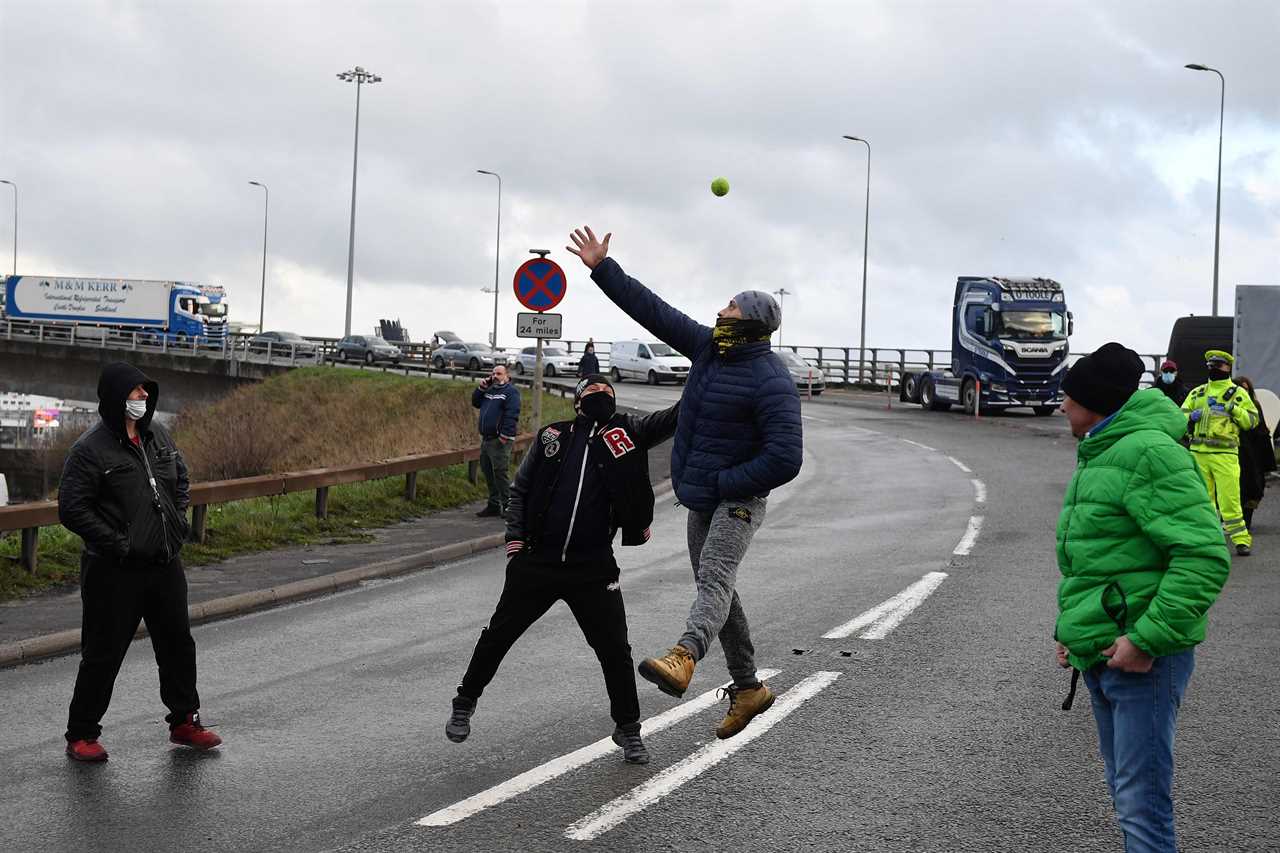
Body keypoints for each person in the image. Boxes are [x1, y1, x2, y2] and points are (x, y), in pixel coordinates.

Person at [566, 226, 802, 740]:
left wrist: (727, 480)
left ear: (751, 323)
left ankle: (684, 655)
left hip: (736, 499)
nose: (721, 311)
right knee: (717, 588)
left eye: (731, 307)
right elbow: (652, 310)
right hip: (702, 498)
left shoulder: (771, 380)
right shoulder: (707, 349)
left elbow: (785, 458)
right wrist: (602, 268)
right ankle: (748, 688)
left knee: (714, 581)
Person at [446, 375, 678, 765]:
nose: (600, 397)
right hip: (538, 560)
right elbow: (520, 490)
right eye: (592, 392)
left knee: (615, 650)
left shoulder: (628, 434)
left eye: (607, 392)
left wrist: (709, 371)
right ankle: (465, 700)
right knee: (499, 635)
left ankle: (629, 728)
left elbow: (674, 418)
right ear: (577, 402)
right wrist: (515, 543)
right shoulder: (553, 436)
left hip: (593, 567)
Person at [1054, 342, 1230, 853]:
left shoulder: (1149, 453)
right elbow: (1095, 561)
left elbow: (1203, 556)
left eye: (1070, 395)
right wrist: (1071, 633)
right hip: (1104, 649)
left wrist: (1147, 639)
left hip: (1141, 658)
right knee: (1126, 793)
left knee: (1140, 804)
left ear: (1097, 401)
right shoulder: (1104, 450)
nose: (1062, 405)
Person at [57, 362, 223, 762]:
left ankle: (185, 721)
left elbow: (180, 478)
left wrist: (178, 519)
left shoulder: (157, 437)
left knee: (178, 645)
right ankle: (82, 734)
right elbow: (72, 509)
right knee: (103, 652)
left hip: (164, 562)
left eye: (146, 392)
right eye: (135, 393)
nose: (143, 399)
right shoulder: (90, 450)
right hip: (114, 570)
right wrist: (118, 542)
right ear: (117, 398)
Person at [1181, 350, 1261, 555]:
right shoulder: (1197, 392)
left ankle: (1241, 540)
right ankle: (1207, 540)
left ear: (1228, 368)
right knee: (1201, 500)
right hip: (1198, 453)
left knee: (1230, 500)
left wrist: (1234, 409)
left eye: (1218, 365)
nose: (1214, 368)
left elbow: (1252, 421)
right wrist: (1190, 418)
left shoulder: (1237, 393)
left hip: (1225, 454)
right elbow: (1179, 417)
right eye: (1211, 365)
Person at [472, 364, 521, 518]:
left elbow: (512, 414)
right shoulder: (489, 390)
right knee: (488, 472)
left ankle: (508, 506)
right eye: (493, 373)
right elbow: (475, 402)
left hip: (500, 439)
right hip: (486, 439)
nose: (495, 376)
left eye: (499, 373)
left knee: (500, 473)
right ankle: (493, 505)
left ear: (506, 376)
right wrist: (481, 388)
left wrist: (504, 436)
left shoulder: (511, 392)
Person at [1233, 376, 1277, 531]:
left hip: (1253, 454)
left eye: (1247, 388)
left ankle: (1246, 520)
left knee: (1254, 488)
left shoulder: (1254, 405)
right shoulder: (1231, 407)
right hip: (1236, 452)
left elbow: (1262, 430)